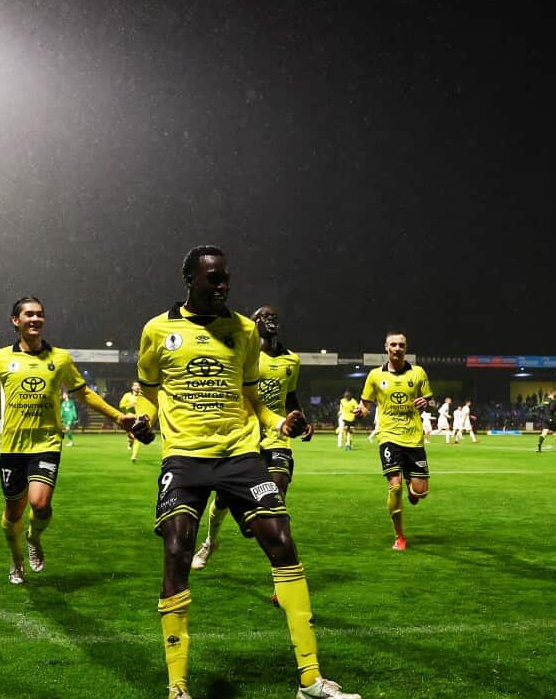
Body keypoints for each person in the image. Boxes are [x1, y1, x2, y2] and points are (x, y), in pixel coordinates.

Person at [137, 246, 359, 699]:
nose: (223, 285)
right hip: (183, 457)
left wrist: (279, 423)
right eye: (214, 278)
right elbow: (147, 390)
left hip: (240, 455)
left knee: (281, 538)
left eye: (226, 278)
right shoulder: (158, 330)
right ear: (189, 280)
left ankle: (311, 679)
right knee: (177, 549)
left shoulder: (243, 330)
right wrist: (143, 418)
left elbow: (253, 398)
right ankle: (177, 685)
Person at [0, 297, 141, 585]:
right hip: (13, 448)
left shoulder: (61, 359)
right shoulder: (1, 359)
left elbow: (84, 394)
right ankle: (16, 559)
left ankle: (34, 537)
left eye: (40, 315)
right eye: (29, 314)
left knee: (40, 505)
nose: (35, 319)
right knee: (12, 512)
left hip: (46, 444)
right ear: (15, 321)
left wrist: (119, 418)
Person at [193, 304, 314, 572]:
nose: (271, 319)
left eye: (274, 316)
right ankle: (211, 542)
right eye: (264, 316)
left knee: (276, 503)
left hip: (277, 438)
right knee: (223, 501)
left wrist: (301, 420)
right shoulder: (243, 355)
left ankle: (284, 572)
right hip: (243, 437)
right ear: (253, 322)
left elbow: (291, 395)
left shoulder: (291, 360)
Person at [353, 331, 432, 551]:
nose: (397, 348)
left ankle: (411, 481)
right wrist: (361, 410)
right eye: (393, 344)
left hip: (414, 438)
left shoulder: (418, 373)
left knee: (419, 493)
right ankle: (399, 536)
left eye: (401, 345)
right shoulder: (375, 376)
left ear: (406, 348)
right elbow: (366, 404)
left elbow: (428, 399)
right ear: (386, 348)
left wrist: (425, 403)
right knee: (394, 487)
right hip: (388, 436)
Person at [119, 381, 147, 462]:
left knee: (137, 438)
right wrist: (129, 406)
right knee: (131, 436)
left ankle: (134, 457)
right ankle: (130, 441)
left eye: (139, 386)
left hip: (138, 419)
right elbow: (121, 405)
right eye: (135, 386)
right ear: (132, 387)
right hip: (129, 418)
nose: (137, 387)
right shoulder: (127, 395)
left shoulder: (143, 397)